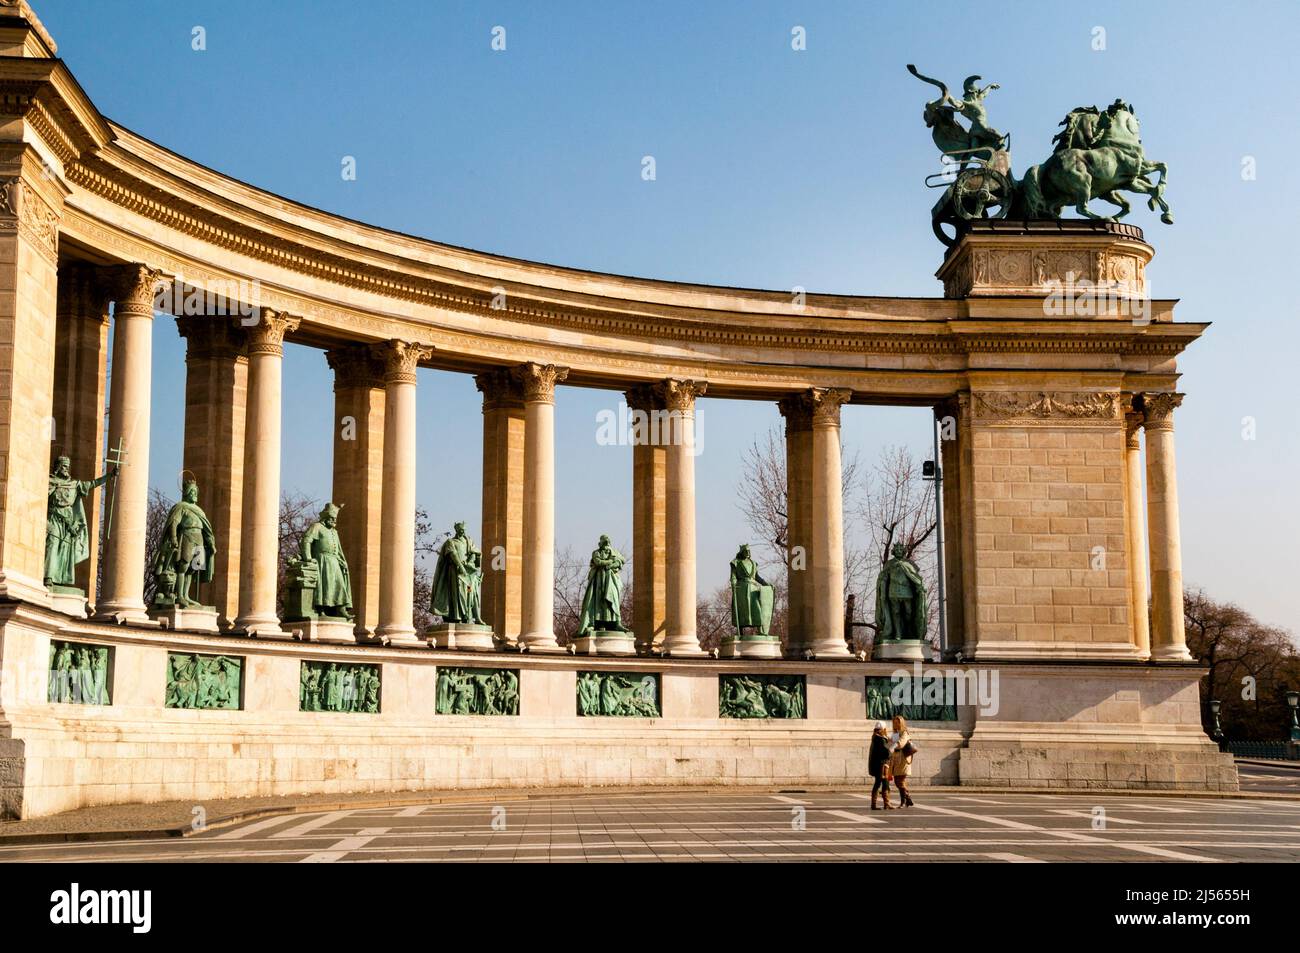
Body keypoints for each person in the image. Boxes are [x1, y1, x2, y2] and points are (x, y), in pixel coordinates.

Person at [889, 715, 916, 807]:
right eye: (894, 723)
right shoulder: (895, 733)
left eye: (897, 723)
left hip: (903, 759)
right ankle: (908, 799)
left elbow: (901, 743)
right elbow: (890, 742)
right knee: (898, 781)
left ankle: (903, 801)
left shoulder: (905, 732)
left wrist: (893, 746)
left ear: (901, 723)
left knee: (900, 781)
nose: (896, 724)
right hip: (896, 759)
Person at [869, 721, 894, 810]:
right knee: (882, 783)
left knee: (882, 783)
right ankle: (883, 803)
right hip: (882, 765)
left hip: (879, 765)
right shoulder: (881, 739)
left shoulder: (875, 738)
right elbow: (887, 753)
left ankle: (880, 804)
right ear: (883, 729)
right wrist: (892, 745)